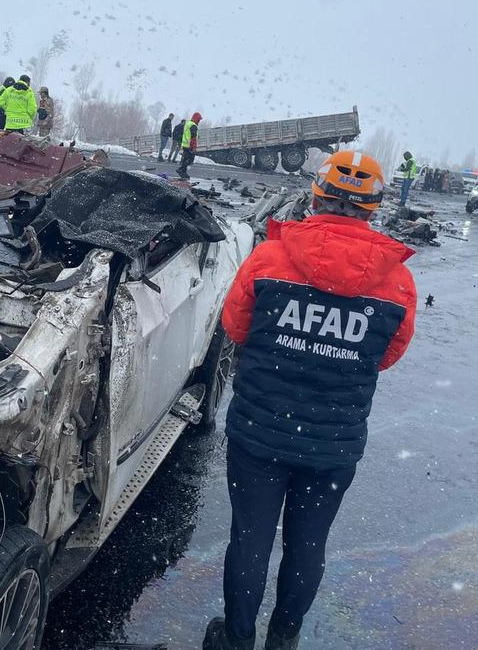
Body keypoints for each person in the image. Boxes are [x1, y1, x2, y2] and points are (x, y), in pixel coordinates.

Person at [203, 150, 417, 650]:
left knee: (250, 540)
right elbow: (386, 355)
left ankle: (236, 640)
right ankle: (284, 638)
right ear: (373, 208)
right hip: (333, 443)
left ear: (317, 196)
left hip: (259, 431)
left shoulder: (270, 257)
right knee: (307, 544)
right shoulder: (397, 280)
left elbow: (235, 327)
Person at [177, 111, 202, 179]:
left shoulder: (188, 123)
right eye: (199, 120)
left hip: (186, 145)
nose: (199, 121)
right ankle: (182, 170)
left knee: (186, 159)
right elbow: (193, 137)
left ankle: (182, 171)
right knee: (189, 160)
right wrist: (194, 147)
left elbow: (188, 134)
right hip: (190, 146)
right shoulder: (193, 125)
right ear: (196, 119)